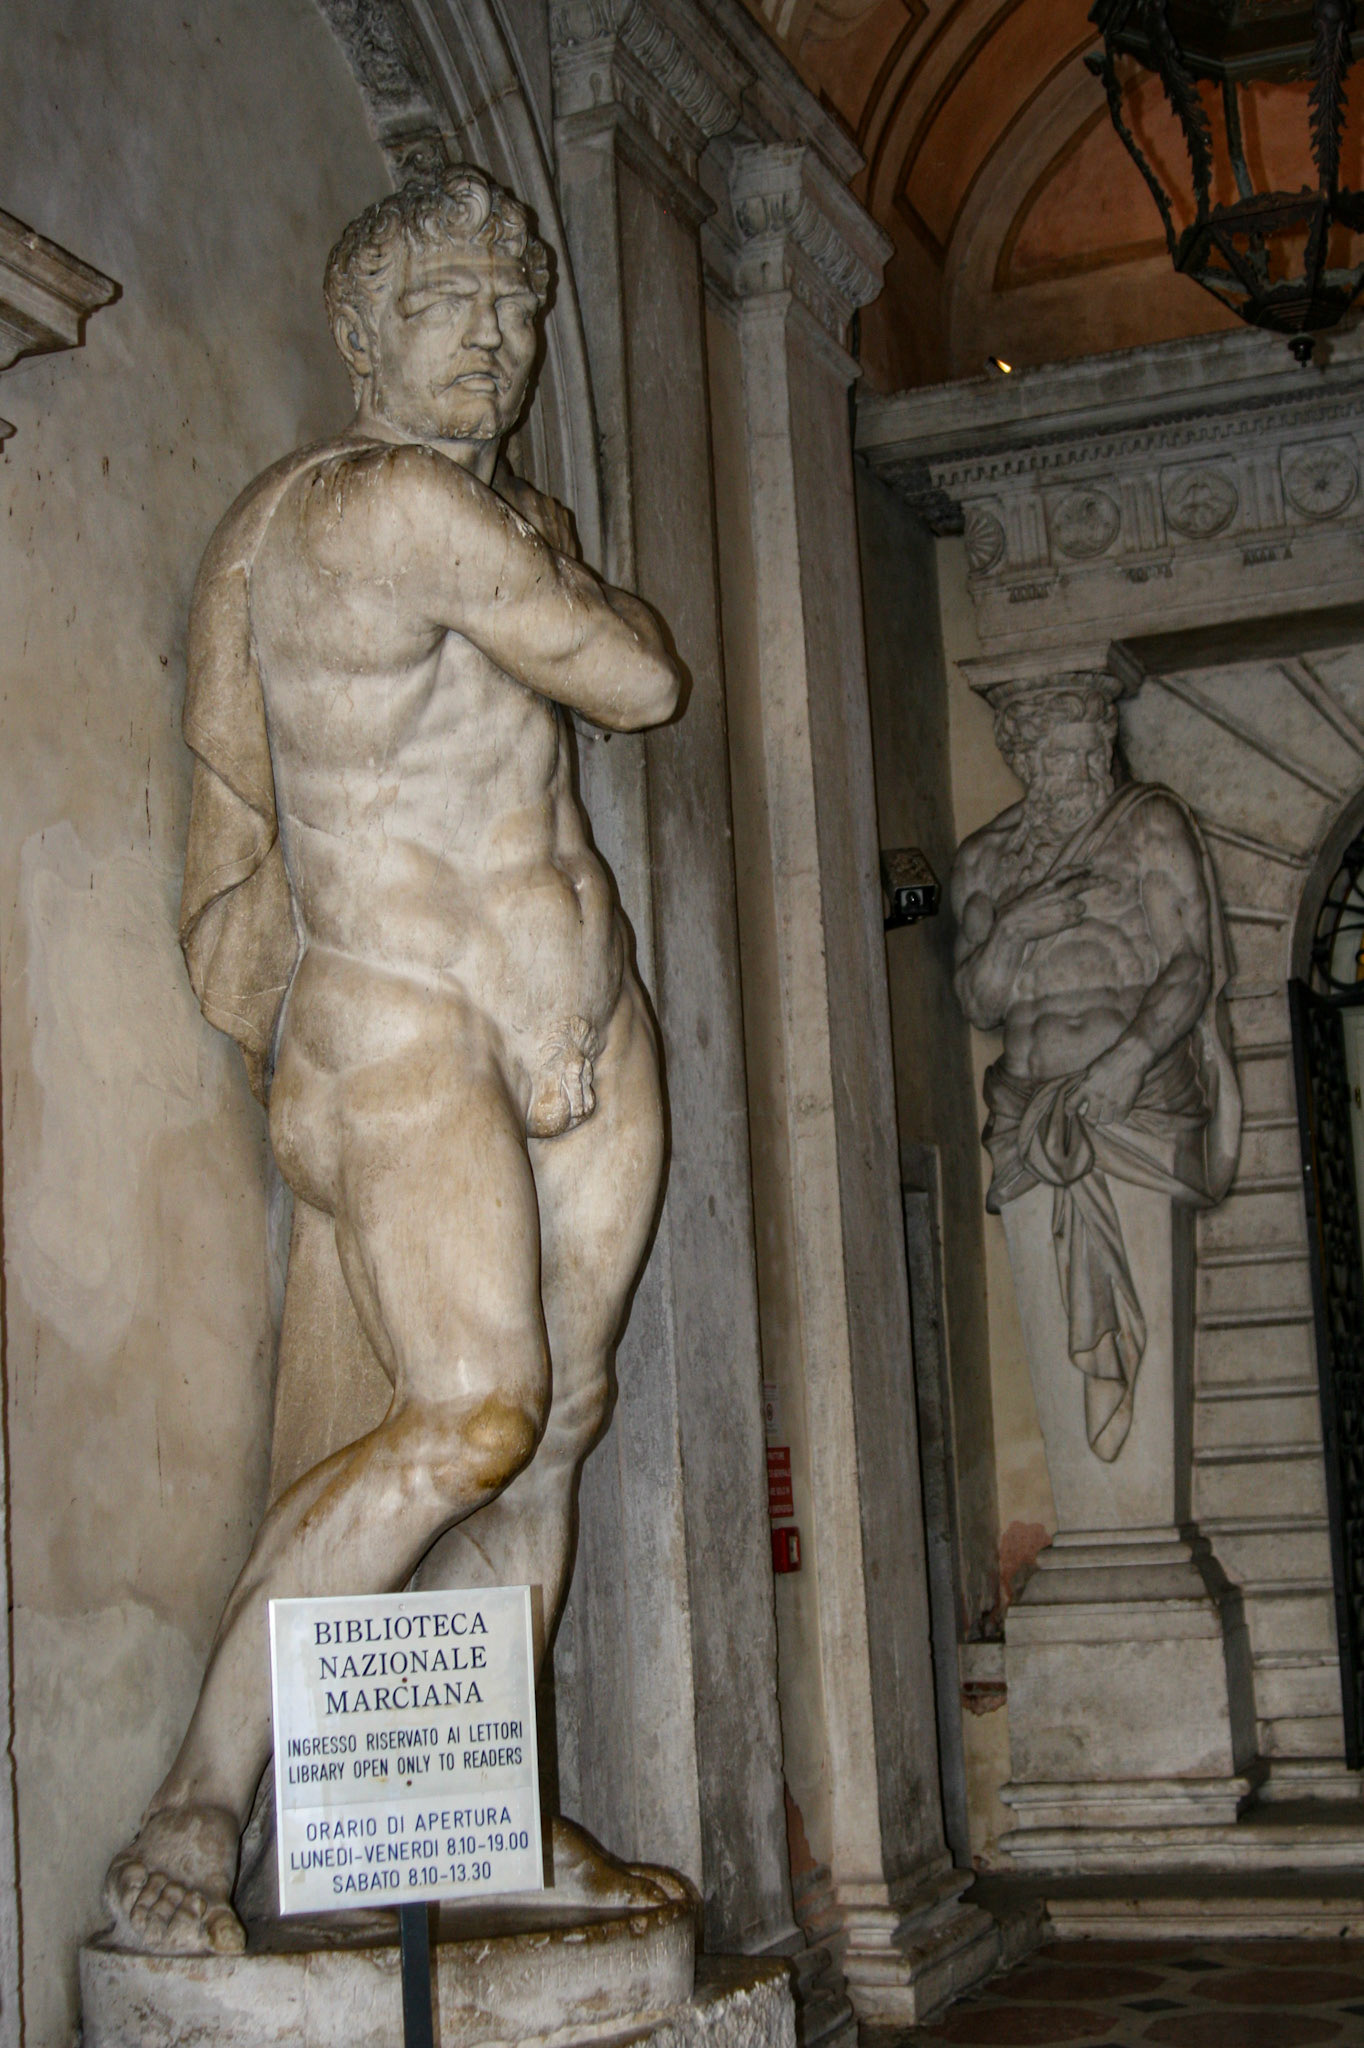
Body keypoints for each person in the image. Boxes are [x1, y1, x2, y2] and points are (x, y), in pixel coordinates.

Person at [103, 163, 684, 1956]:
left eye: (515, 307)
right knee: (474, 1413)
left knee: (557, 1431)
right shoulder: (378, 508)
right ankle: (199, 1804)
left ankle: (482, 1817)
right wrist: (569, 589)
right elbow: (637, 679)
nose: (494, 340)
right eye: (449, 305)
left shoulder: (508, 515)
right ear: (364, 336)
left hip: (578, 1018)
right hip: (403, 1025)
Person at [950, 676, 1239, 1463]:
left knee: (1152, 1327)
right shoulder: (984, 861)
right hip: (1029, 1118)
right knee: (1051, 1321)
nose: (1082, 774)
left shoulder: (1148, 827)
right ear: (1022, 758)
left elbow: (1190, 965)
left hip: (1135, 1105)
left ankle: (1140, 1500)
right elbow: (977, 1001)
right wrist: (1015, 929)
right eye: (1059, 759)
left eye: (1092, 754)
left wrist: (1130, 1061)